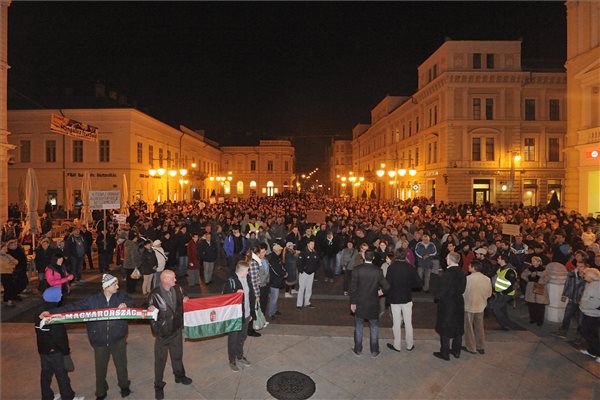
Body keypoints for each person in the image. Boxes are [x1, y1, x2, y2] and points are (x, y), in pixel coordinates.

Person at [40, 274, 134, 400]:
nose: (117, 286)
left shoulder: (121, 296)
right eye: (114, 284)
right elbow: (73, 307)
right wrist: (51, 312)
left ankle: (124, 386)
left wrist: (125, 305)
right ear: (106, 287)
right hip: (99, 341)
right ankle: (101, 392)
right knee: (100, 369)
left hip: (118, 339)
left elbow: (131, 302)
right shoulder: (93, 300)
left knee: (121, 365)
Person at [148, 270, 193, 400]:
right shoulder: (154, 294)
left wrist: (186, 298)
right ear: (165, 280)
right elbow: (150, 315)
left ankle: (179, 376)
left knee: (177, 356)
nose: (175, 280)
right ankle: (158, 386)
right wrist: (158, 331)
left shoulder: (178, 289)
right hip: (163, 334)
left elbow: (184, 297)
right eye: (172, 278)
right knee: (160, 361)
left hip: (176, 331)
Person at [35, 287, 83, 400]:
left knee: (46, 374)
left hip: (43, 350)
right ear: (55, 299)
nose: (61, 296)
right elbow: (60, 337)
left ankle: (46, 396)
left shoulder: (39, 311)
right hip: (55, 351)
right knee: (62, 375)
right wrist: (66, 352)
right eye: (60, 295)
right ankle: (67, 396)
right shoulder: (54, 316)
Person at [350, 250, 390, 357]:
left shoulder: (357, 269)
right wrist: (380, 293)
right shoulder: (378, 271)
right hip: (373, 303)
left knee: (358, 326)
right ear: (373, 258)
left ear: (364, 257)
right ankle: (374, 350)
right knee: (374, 327)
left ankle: (358, 349)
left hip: (360, 302)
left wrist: (353, 303)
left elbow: (353, 288)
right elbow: (386, 286)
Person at [385, 250, 421, 352]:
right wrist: (409, 285)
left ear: (396, 256)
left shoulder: (391, 268)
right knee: (408, 322)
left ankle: (397, 345)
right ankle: (410, 345)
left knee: (396, 323)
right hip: (407, 298)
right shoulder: (410, 267)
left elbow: (387, 284)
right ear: (405, 256)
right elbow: (418, 283)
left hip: (395, 298)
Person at [433, 252, 466, 361]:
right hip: (459, 302)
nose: (446, 259)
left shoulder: (447, 274)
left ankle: (445, 353)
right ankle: (456, 351)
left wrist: (437, 296)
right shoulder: (462, 273)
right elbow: (463, 289)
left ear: (450, 260)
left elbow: (441, 290)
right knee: (458, 327)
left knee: (445, 328)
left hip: (448, 304)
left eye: (447, 258)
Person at [222, 260, 255, 371]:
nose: (248, 272)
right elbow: (225, 298)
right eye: (247, 270)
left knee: (242, 337)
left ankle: (239, 356)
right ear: (241, 271)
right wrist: (235, 293)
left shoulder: (248, 278)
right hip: (235, 316)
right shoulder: (231, 281)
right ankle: (232, 360)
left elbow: (251, 296)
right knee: (233, 339)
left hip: (246, 314)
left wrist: (251, 313)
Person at [462, 260, 492, 355]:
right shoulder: (487, 279)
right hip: (481, 306)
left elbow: (463, 293)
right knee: (479, 327)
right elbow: (489, 293)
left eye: (469, 266)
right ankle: (481, 346)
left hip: (469, 306)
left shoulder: (467, 279)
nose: (468, 267)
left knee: (469, 328)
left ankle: (471, 347)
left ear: (473, 268)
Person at [557, 261, 587, 339]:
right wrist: (564, 294)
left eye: (581, 266)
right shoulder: (572, 274)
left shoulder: (587, 276)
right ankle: (563, 330)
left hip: (582, 300)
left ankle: (579, 333)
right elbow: (567, 284)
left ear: (585, 267)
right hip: (572, 298)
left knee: (581, 318)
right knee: (567, 315)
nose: (579, 268)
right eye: (578, 266)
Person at [578, 268, 600, 363]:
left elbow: (595, 302)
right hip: (587, 312)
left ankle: (598, 352)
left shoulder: (597, 286)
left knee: (588, 332)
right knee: (589, 332)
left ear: (591, 276)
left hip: (593, 314)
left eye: (585, 274)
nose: (584, 276)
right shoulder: (590, 283)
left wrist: (583, 304)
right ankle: (592, 351)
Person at [492, 254, 517, 331]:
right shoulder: (500, 269)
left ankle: (506, 324)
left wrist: (504, 292)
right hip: (500, 293)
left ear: (503, 260)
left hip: (505, 294)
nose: (497, 259)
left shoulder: (510, 271)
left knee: (496, 309)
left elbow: (511, 284)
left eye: (499, 258)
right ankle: (505, 326)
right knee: (502, 309)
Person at [521, 256, 549, 326]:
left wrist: (538, 275)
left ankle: (540, 320)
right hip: (531, 287)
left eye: (534, 261)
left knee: (540, 306)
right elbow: (523, 275)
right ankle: (532, 319)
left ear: (539, 262)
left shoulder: (544, 270)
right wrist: (530, 276)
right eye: (532, 261)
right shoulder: (529, 269)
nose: (533, 262)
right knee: (531, 305)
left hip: (540, 287)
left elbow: (547, 279)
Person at [296, 238, 320, 309]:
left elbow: (318, 262)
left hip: (311, 273)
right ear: (308, 244)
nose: (313, 246)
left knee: (309, 288)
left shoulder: (315, 253)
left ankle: (307, 302)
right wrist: (302, 270)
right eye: (311, 244)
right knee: (302, 288)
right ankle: (299, 304)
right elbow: (299, 262)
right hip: (304, 273)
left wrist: (314, 270)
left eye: (313, 244)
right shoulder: (303, 252)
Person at [267, 243, 286, 319]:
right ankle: (271, 313)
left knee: (275, 297)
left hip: (275, 280)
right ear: (277, 251)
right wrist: (284, 273)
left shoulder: (274, 257)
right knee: (274, 298)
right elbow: (276, 270)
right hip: (274, 281)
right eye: (280, 250)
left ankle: (274, 310)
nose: (281, 251)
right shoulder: (274, 259)